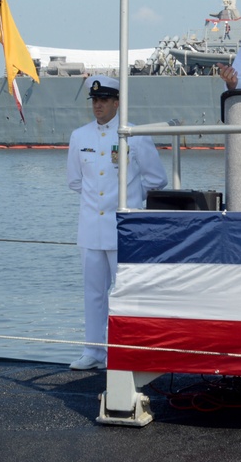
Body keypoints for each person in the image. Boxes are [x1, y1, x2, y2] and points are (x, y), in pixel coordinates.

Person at [66, 75, 167, 370]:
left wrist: (131, 199)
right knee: (93, 293)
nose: (98, 106)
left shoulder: (134, 134)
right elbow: (74, 181)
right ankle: (94, 350)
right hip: (90, 229)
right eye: (95, 101)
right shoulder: (79, 136)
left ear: (116, 102)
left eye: (104, 100)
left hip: (122, 227)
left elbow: (156, 179)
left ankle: (122, 350)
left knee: (124, 294)